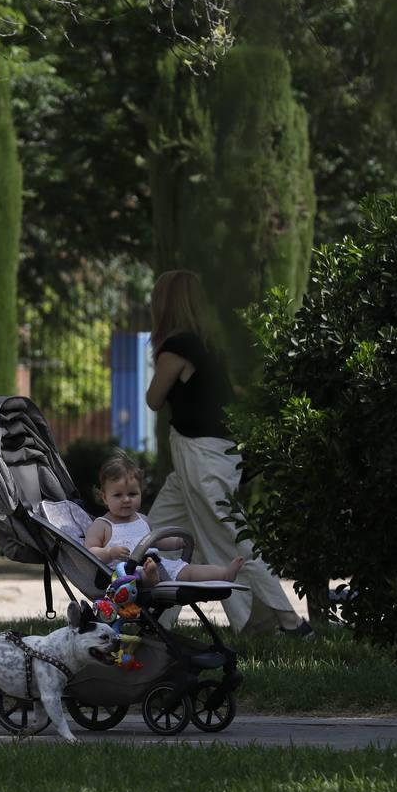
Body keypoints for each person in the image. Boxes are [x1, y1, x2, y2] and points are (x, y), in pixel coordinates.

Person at [145, 270, 312, 637]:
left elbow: (153, 399)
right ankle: (155, 620)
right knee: (158, 535)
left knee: (230, 540)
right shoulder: (207, 347)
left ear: (165, 304)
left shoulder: (177, 347)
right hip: (206, 458)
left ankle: (288, 622)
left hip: (199, 459)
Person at [84, 452, 243, 586]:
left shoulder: (143, 520)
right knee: (142, 574)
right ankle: (150, 578)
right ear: (104, 497)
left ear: (141, 492)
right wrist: (109, 552)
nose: (126, 500)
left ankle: (224, 574)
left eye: (132, 494)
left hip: (157, 563)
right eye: (118, 495)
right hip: (125, 574)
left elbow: (156, 542)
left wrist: (179, 542)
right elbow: (89, 551)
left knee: (187, 571)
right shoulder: (102, 525)